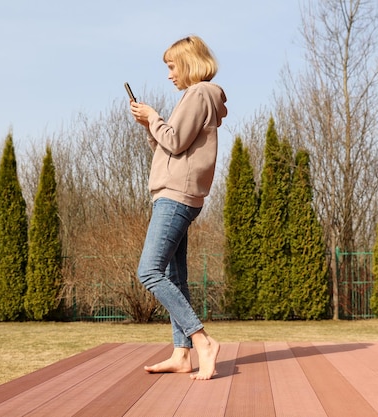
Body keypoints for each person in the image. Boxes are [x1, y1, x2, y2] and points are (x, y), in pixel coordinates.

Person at [130, 35, 227, 380]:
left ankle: (202, 341)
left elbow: (173, 140)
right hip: (175, 194)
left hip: (175, 196)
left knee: (149, 271)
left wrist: (154, 116)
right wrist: (150, 125)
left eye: (172, 66)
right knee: (174, 276)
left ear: (188, 62)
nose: (169, 74)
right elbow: (173, 143)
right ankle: (181, 353)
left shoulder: (199, 94)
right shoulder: (197, 97)